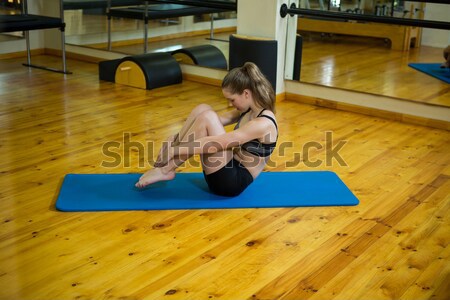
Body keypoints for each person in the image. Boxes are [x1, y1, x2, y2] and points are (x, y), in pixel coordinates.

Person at [135, 62, 278, 197]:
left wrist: (174, 150)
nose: (229, 104)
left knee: (208, 117)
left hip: (231, 183)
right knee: (203, 109)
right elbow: (207, 120)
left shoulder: (262, 123)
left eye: (232, 99)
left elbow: (218, 142)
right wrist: (174, 137)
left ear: (246, 93)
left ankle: (165, 169)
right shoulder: (248, 111)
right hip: (223, 170)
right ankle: (166, 167)